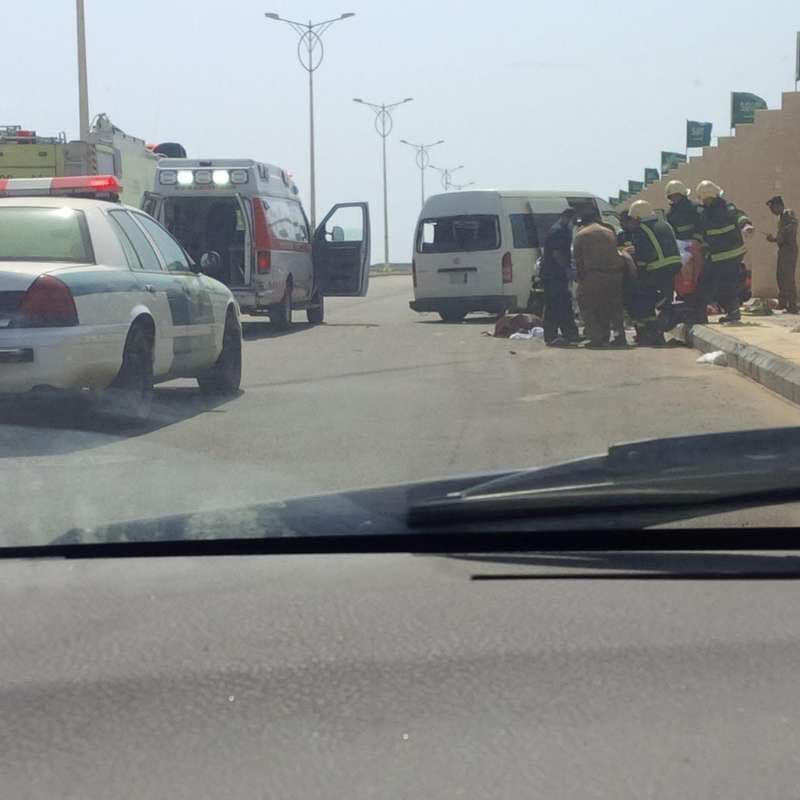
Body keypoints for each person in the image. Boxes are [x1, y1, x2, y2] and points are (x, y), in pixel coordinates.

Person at [695, 181, 754, 324]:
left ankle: (732, 313)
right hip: (720, 255)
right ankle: (726, 311)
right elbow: (703, 233)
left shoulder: (725, 208)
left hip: (728, 255)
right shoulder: (706, 213)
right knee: (716, 284)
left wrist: (746, 225)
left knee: (724, 285)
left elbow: (738, 216)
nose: (706, 202)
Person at [626, 200, 683, 346]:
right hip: (673, 265)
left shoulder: (642, 229)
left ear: (638, 217)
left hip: (657, 267)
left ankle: (653, 331)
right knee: (664, 297)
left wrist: (639, 273)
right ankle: (661, 328)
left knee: (646, 298)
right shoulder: (664, 224)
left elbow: (643, 254)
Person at [572, 210, 626, 348]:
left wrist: (581, 280)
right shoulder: (609, 231)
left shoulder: (582, 235)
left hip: (594, 276)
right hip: (615, 275)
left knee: (588, 307)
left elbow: (579, 261)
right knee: (613, 308)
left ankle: (596, 338)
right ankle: (619, 337)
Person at [540, 208, 580, 346]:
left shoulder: (559, 229)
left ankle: (570, 334)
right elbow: (557, 254)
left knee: (563, 304)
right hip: (554, 274)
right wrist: (568, 270)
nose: (573, 224)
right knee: (555, 305)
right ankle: (553, 336)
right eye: (573, 220)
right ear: (567, 218)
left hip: (555, 274)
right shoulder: (559, 232)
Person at [766, 195, 799, 314]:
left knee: (788, 277)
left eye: (772, 208)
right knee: (781, 276)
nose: (772, 211)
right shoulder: (781, 217)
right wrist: (774, 239)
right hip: (783, 249)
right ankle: (783, 302)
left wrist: (778, 237)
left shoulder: (788, 213)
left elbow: (792, 226)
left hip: (789, 249)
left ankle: (792, 304)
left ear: (779, 205)